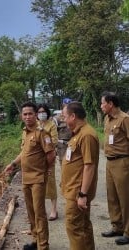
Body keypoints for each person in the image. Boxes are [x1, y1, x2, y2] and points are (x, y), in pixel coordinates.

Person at [5, 102, 56, 250]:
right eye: (25, 114)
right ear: (22, 116)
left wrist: (46, 169)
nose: (27, 116)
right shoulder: (25, 132)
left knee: (39, 213)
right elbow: (24, 153)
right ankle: (35, 240)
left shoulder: (42, 133)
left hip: (38, 179)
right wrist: (13, 164)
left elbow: (51, 155)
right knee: (31, 211)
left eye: (30, 114)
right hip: (26, 178)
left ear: (35, 115)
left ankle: (43, 245)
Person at [61, 101, 99, 250]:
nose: (63, 119)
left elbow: (89, 166)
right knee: (83, 225)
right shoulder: (78, 133)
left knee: (74, 227)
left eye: (64, 116)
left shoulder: (87, 135)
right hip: (73, 189)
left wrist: (83, 194)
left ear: (73, 116)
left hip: (78, 192)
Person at [100, 91, 129, 245]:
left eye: (103, 103)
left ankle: (128, 231)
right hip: (110, 162)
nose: (101, 106)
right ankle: (117, 226)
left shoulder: (125, 119)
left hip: (123, 162)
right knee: (112, 197)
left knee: (125, 198)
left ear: (110, 104)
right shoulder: (107, 119)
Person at [37, 103, 59, 221]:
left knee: (50, 183)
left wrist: (44, 132)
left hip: (49, 158)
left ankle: (54, 209)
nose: (41, 114)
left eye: (43, 112)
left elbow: (54, 141)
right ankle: (41, 210)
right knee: (38, 184)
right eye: (39, 112)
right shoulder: (35, 125)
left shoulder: (51, 125)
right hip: (37, 160)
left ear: (47, 112)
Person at [53, 98, 73, 164]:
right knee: (64, 163)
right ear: (63, 105)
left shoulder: (73, 117)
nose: (67, 107)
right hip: (62, 145)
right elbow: (53, 133)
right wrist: (54, 147)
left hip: (73, 143)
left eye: (69, 105)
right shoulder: (57, 118)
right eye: (66, 105)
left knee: (73, 163)